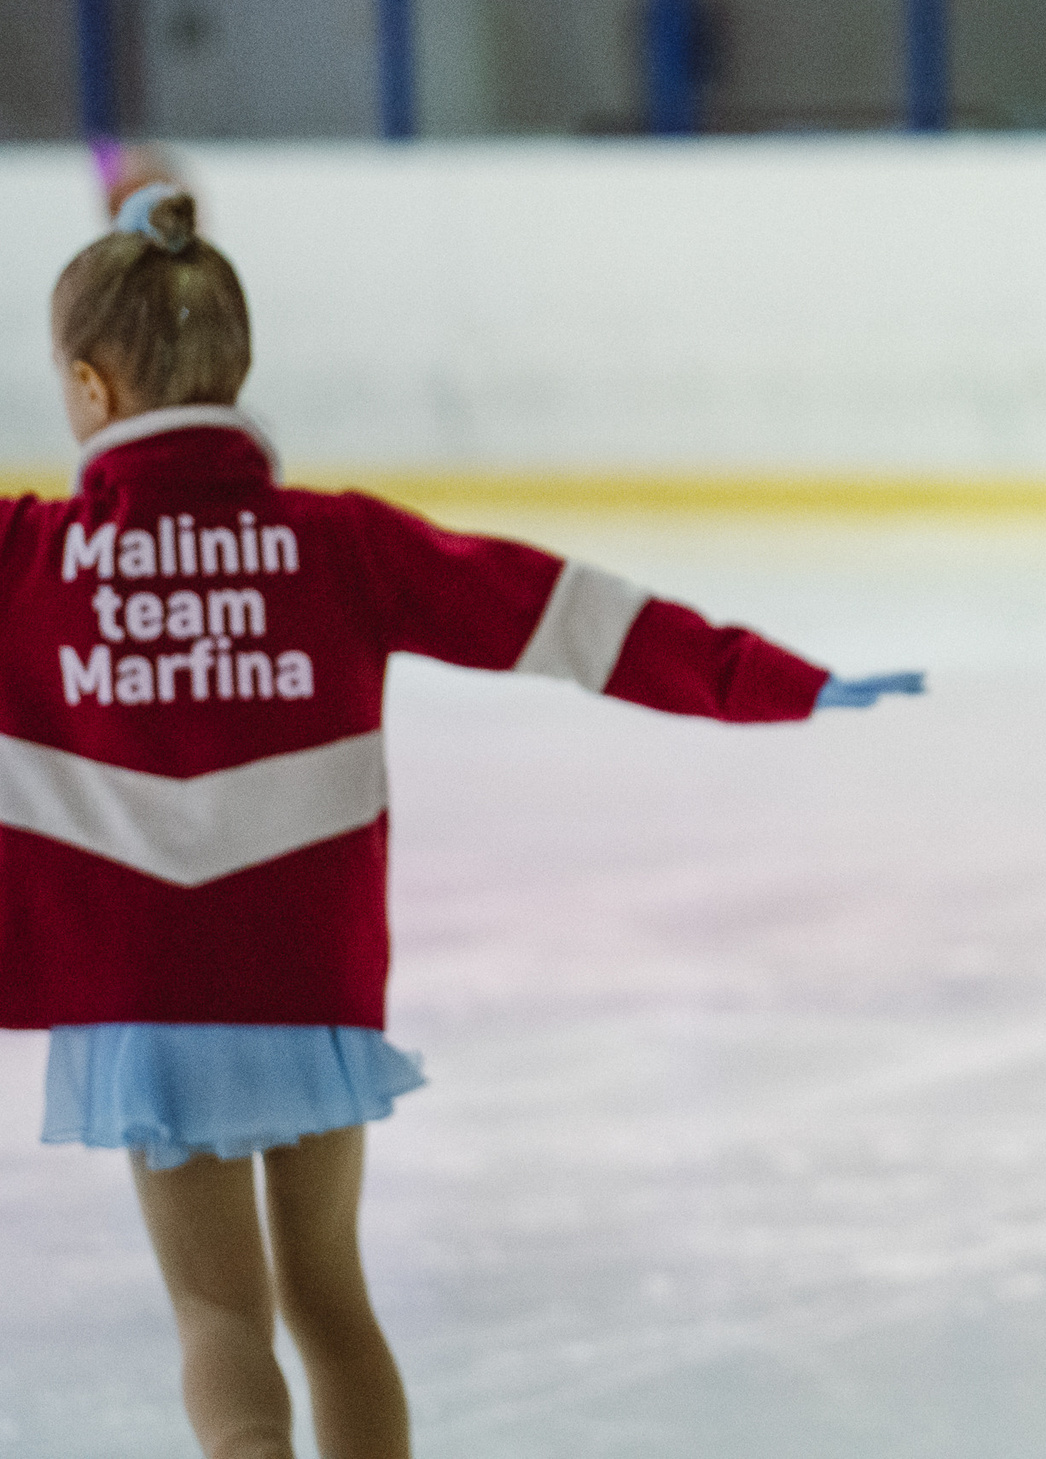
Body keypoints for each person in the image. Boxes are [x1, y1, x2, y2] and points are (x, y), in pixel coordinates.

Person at [0, 184, 922, 1459]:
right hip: (302, 984)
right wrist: (768, 679)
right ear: (236, 367)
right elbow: (558, 612)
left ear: (89, 387)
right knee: (332, 1300)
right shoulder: (339, 544)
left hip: (146, 994)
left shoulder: (26, 557)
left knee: (218, 1316)